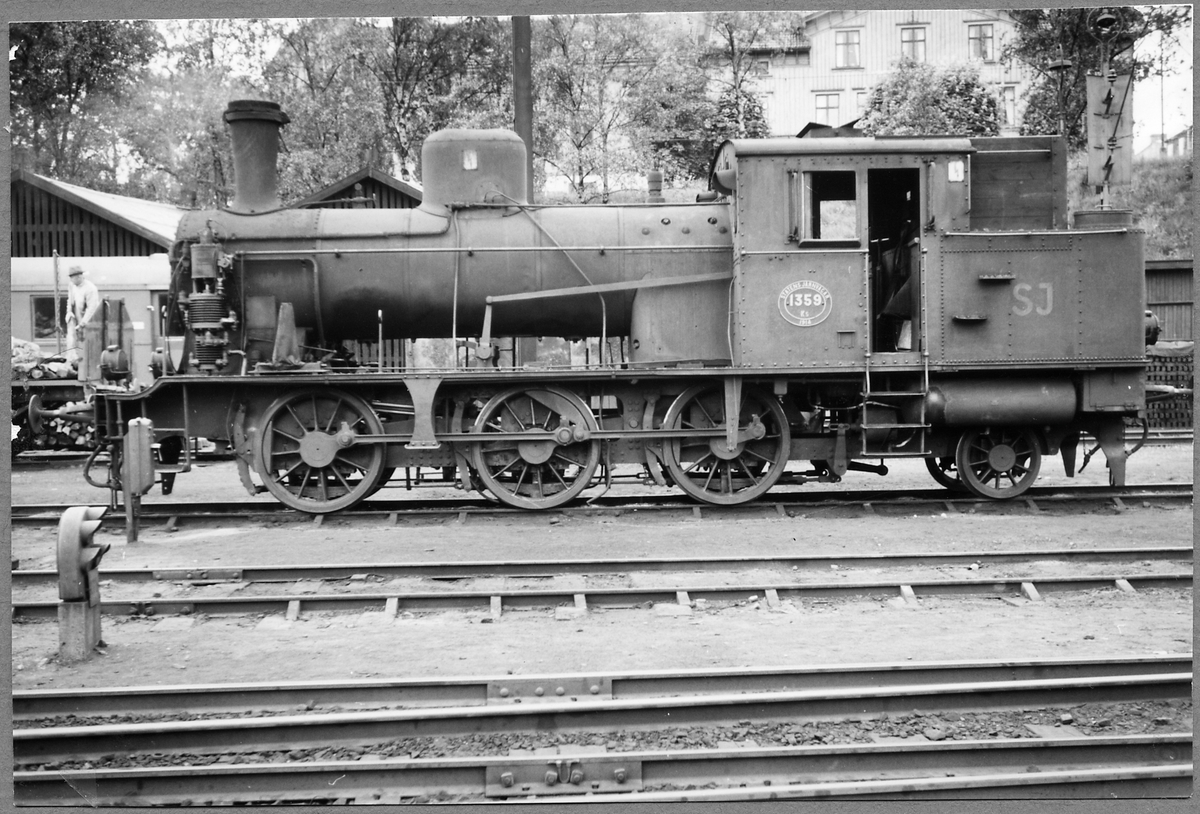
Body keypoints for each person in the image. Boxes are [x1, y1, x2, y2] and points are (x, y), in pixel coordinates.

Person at [65, 265, 101, 357]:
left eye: (72, 278)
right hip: (75, 320)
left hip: (89, 323)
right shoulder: (71, 285)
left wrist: (82, 324)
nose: (71, 280)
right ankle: (71, 359)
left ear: (79, 277)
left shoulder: (90, 289)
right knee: (71, 342)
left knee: (87, 347)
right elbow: (70, 300)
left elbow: (92, 309)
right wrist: (69, 312)